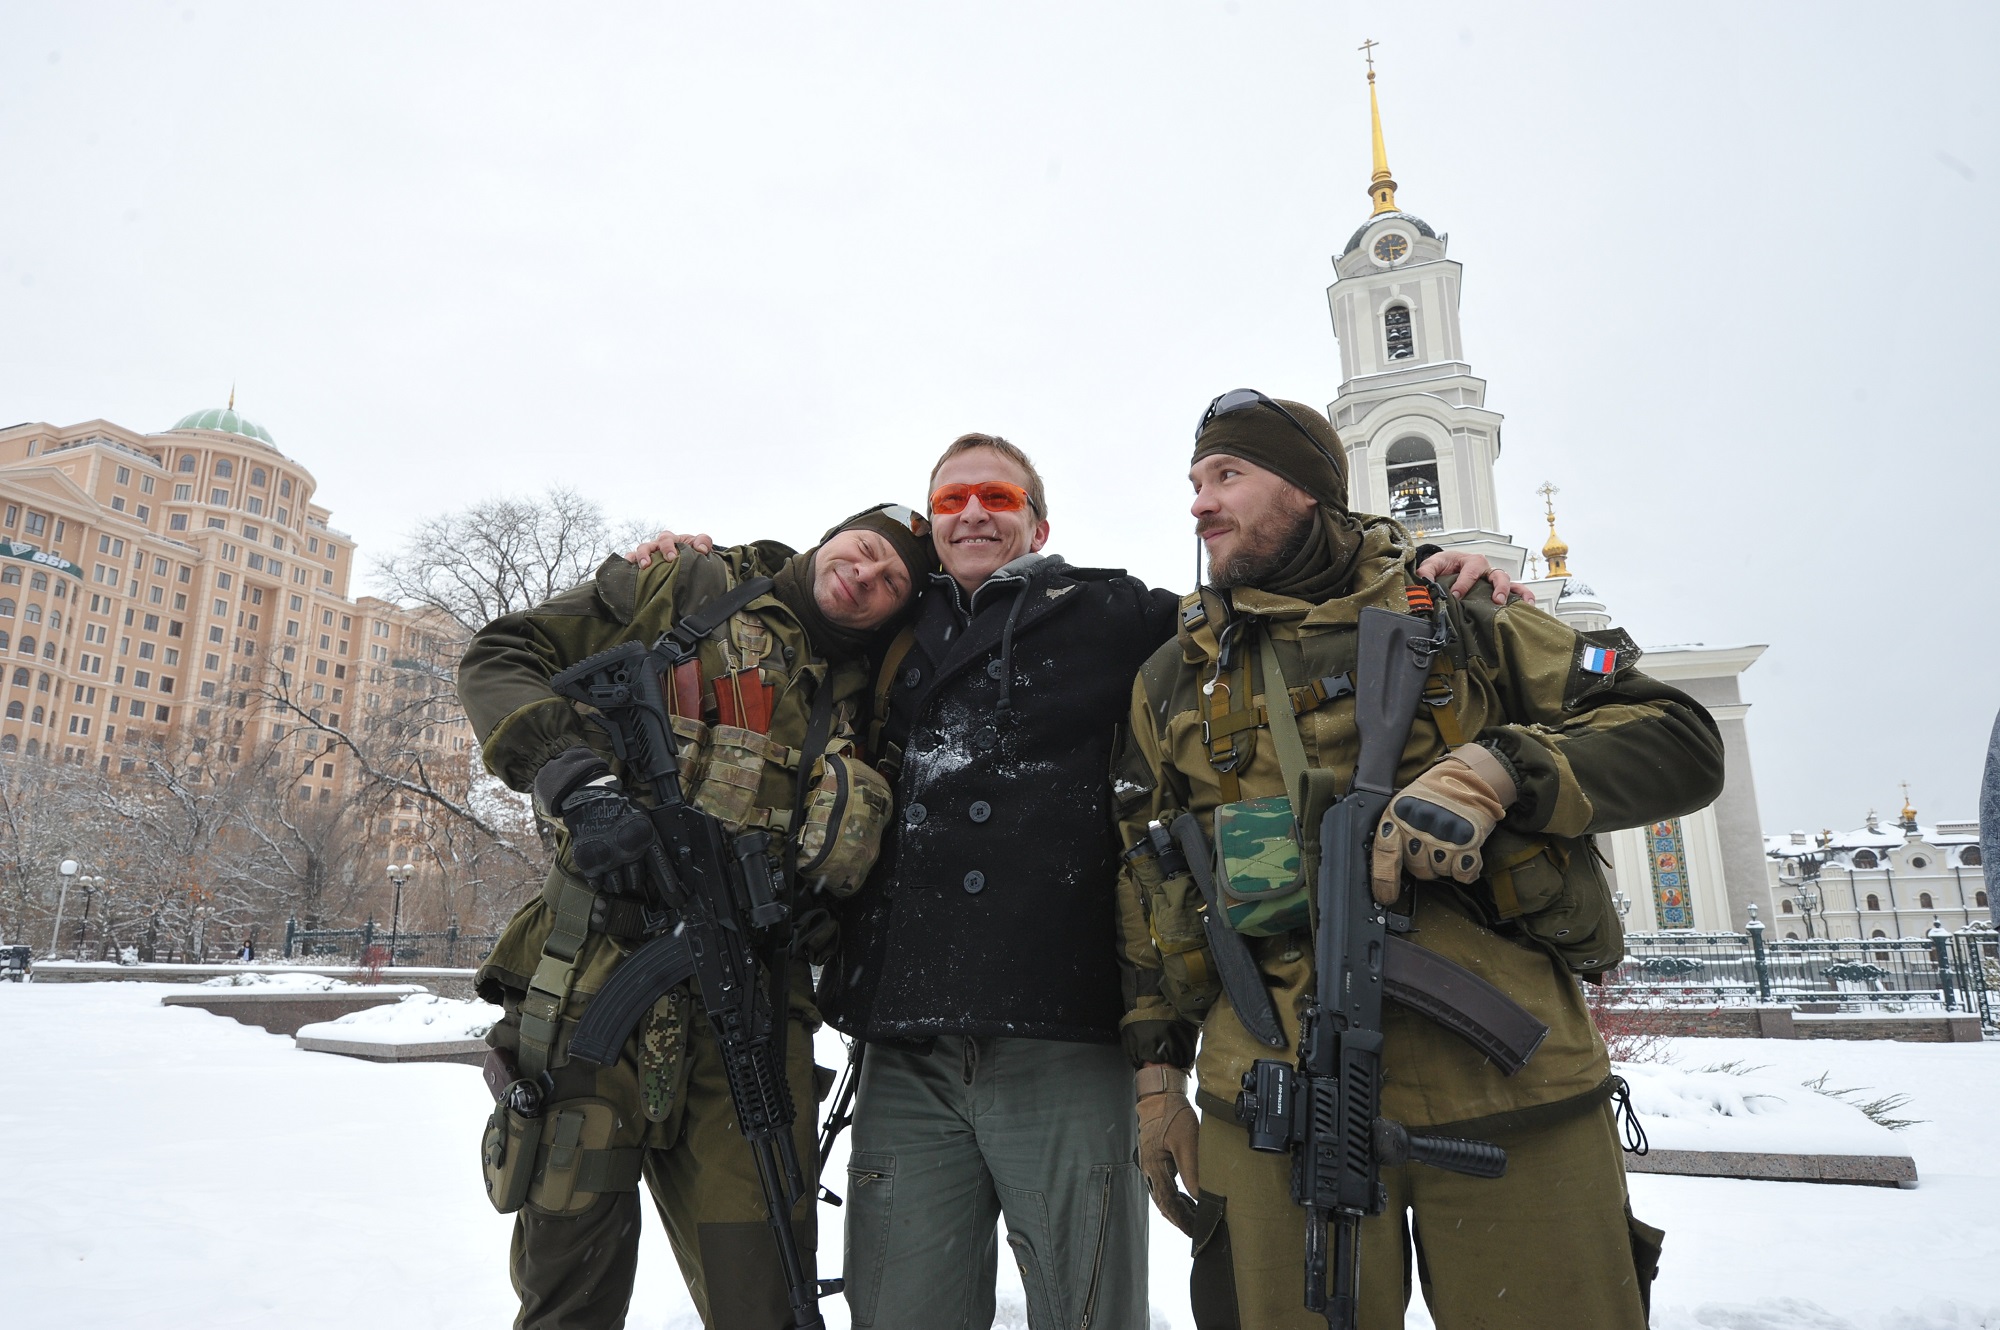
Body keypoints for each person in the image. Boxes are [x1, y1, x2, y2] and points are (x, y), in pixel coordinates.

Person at [634, 437, 1526, 1330]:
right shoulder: (887, 634)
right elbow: (790, 613)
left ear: (1038, 523)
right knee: (898, 1309)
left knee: (1087, 1309)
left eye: (997, 496)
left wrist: (1411, 562)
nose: (973, 513)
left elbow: (1277, 593)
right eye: (951, 501)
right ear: (930, 524)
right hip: (906, 1038)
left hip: (1060, 1026)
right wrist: (694, 565)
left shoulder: (1114, 611)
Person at [1113, 390, 1726, 1329]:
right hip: (1274, 1103)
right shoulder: (1171, 676)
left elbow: (1679, 735)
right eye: (1195, 481)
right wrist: (1157, 1081)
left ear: (1310, 490)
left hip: (1510, 1093)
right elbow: (1146, 877)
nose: (1200, 501)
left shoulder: (1465, 612)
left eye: (1228, 474)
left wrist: (1503, 770)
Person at [459, 504, 932, 1330]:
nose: (865, 578)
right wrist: (578, 783)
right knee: (568, 1295)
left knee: (766, 1297)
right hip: (593, 984)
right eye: (862, 552)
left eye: (891, 582)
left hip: (748, 1015)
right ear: (830, 539)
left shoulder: (877, 700)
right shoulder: (690, 586)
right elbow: (503, 654)